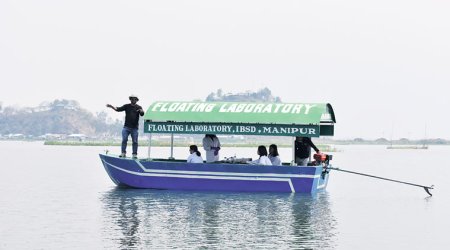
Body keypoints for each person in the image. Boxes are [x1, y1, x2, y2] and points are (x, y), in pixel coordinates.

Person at [106, 95, 144, 159]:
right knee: (124, 140)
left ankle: (134, 154)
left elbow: (142, 114)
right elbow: (118, 109)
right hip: (126, 127)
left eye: (135, 99)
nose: (133, 100)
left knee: (135, 141)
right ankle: (123, 153)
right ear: (130, 100)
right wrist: (111, 106)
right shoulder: (127, 106)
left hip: (134, 128)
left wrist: (141, 111)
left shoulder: (139, 107)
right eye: (132, 99)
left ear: (136, 100)